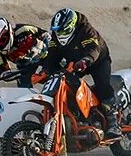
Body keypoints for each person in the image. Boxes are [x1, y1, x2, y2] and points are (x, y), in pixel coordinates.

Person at [43, 8, 121, 141]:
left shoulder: (85, 30)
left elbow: (93, 49)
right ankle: (75, 115)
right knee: (66, 85)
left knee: (102, 85)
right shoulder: (55, 36)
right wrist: (47, 71)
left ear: (72, 27)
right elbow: (51, 56)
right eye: (57, 31)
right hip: (74, 63)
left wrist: (86, 60)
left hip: (97, 61)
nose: (60, 34)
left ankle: (113, 122)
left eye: (63, 31)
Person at [0, 16, 51, 85]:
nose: (0, 45)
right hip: (26, 67)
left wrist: (37, 49)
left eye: (2, 40)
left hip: (45, 55)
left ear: (9, 32)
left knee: (54, 72)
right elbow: (2, 72)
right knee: (23, 82)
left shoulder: (23, 29)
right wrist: (13, 75)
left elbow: (46, 35)